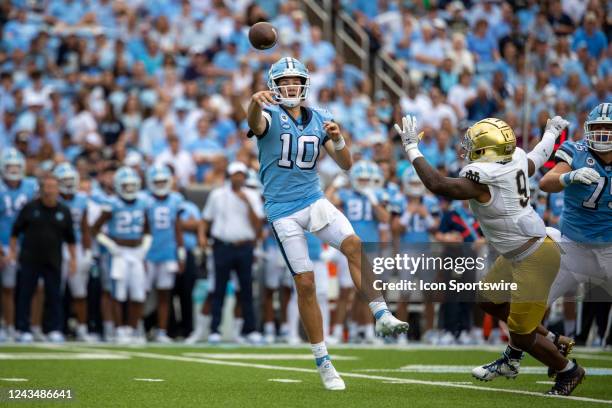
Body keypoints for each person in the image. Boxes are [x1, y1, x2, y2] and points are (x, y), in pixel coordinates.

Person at [247, 57, 408, 390]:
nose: (290, 86)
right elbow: (256, 123)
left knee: (355, 246)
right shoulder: (268, 114)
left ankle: (381, 314)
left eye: (296, 81)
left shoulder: (322, 117)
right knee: (305, 284)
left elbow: (347, 164)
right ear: (274, 86)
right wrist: (252, 102)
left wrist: (339, 138)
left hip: (314, 199)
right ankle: (323, 362)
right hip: (282, 210)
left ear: (304, 84)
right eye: (284, 81)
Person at [395, 114, 585, 396]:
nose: (467, 149)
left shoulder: (484, 178)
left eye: (473, 145)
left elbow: (437, 185)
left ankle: (568, 370)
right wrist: (550, 133)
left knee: (522, 334)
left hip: (533, 257)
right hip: (518, 252)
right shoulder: (515, 159)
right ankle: (554, 339)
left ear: (489, 150)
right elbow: (537, 155)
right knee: (488, 300)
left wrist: (411, 148)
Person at [201, 161, 264, 344]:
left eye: (241, 174)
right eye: (235, 174)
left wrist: (248, 204)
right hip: (222, 246)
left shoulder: (252, 195)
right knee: (218, 289)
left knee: (246, 290)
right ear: (230, 175)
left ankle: (250, 329)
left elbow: (258, 225)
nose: (238, 177)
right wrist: (202, 237)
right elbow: (206, 218)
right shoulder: (217, 195)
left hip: (244, 246)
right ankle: (215, 330)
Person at [9, 175, 77, 343]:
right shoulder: (30, 208)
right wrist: (12, 252)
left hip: (53, 259)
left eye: (53, 187)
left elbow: (71, 239)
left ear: (58, 189)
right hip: (30, 258)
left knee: (54, 295)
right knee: (25, 293)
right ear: (41, 189)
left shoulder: (64, 210)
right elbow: (16, 232)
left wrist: (74, 260)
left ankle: (54, 329)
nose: (50, 190)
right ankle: (22, 329)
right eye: (47, 187)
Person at [92, 167, 151, 345]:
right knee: (118, 293)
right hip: (120, 254)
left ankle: (133, 329)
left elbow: (148, 230)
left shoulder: (142, 203)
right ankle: (119, 329)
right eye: (126, 186)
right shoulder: (112, 203)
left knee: (138, 293)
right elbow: (95, 229)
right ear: (118, 186)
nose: (129, 189)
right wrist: (112, 245)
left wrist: (144, 248)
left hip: (137, 252)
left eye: (132, 185)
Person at [0, 148, 38, 342]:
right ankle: (7, 326)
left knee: (29, 286)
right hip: (4, 243)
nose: (13, 170)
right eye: (10, 166)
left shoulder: (31, 186)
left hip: (28, 244)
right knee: (7, 287)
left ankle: (26, 326)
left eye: (17, 166)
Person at [53, 162, 94, 342]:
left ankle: (82, 328)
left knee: (79, 291)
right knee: (56, 290)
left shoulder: (82, 199)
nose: (69, 183)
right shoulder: (53, 199)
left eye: (71, 180)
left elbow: (85, 228)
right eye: (65, 180)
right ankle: (55, 328)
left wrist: (88, 250)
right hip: (56, 246)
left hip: (76, 247)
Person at [144, 164, 185, 343]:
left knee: (164, 294)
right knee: (141, 294)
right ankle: (137, 328)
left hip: (168, 253)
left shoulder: (175, 199)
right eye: (157, 181)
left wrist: (180, 254)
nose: (160, 184)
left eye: (163, 181)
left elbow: (178, 229)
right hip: (148, 253)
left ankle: (161, 331)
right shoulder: (144, 200)